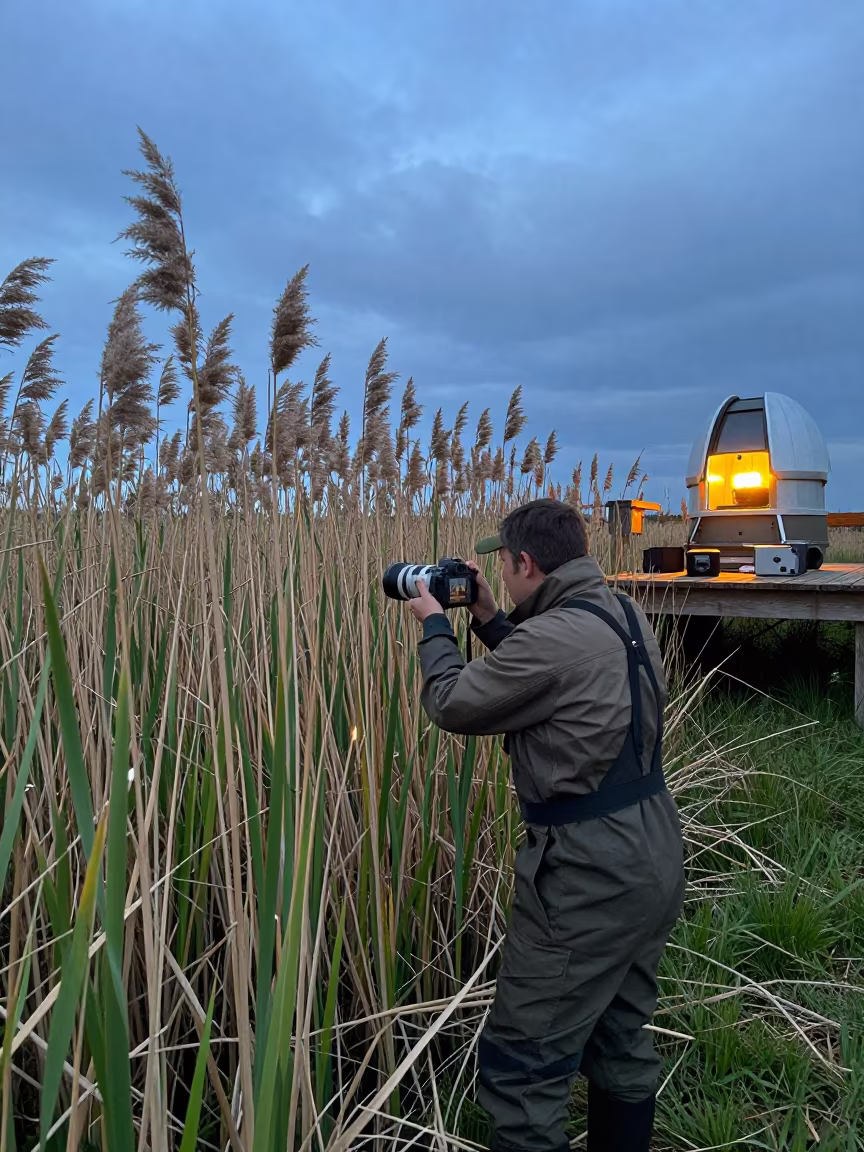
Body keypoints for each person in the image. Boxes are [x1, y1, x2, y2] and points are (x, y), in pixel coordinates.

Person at [406, 498, 685, 1152]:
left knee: (523, 1066)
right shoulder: (619, 612)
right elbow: (547, 676)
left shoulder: (554, 637)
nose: (499, 576)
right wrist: (486, 617)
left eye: (502, 566)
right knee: (620, 1038)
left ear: (526, 561)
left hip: (589, 872)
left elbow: (453, 703)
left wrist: (433, 627)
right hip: (652, 852)